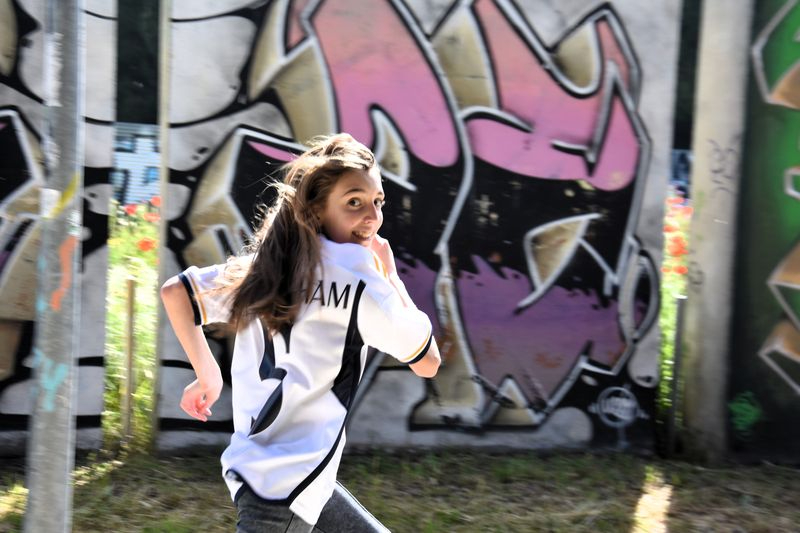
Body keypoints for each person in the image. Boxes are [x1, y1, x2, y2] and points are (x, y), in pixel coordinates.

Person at [160, 133, 441, 532]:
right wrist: (392, 276)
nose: (372, 216)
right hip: (286, 488)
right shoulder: (363, 283)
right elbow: (428, 362)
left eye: (378, 202)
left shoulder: (269, 267)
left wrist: (207, 373)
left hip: (280, 473)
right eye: (354, 202)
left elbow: (176, 293)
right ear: (316, 209)